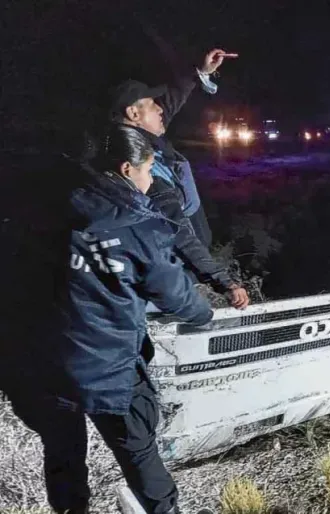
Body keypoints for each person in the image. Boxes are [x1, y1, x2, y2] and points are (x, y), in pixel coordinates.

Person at [1, 125, 215, 514]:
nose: (151, 179)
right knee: (138, 453)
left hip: (40, 361)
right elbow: (178, 298)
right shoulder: (138, 226)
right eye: (148, 169)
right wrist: (206, 314)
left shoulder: (43, 208)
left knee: (63, 452)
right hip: (109, 367)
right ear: (126, 168)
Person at [108, 48, 249, 310]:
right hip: (175, 268)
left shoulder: (137, 137)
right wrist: (225, 282)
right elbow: (182, 237)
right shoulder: (144, 172)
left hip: (183, 262)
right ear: (133, 114)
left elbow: (171, 101)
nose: (161, 109)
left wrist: (201, 73)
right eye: (152, 104)